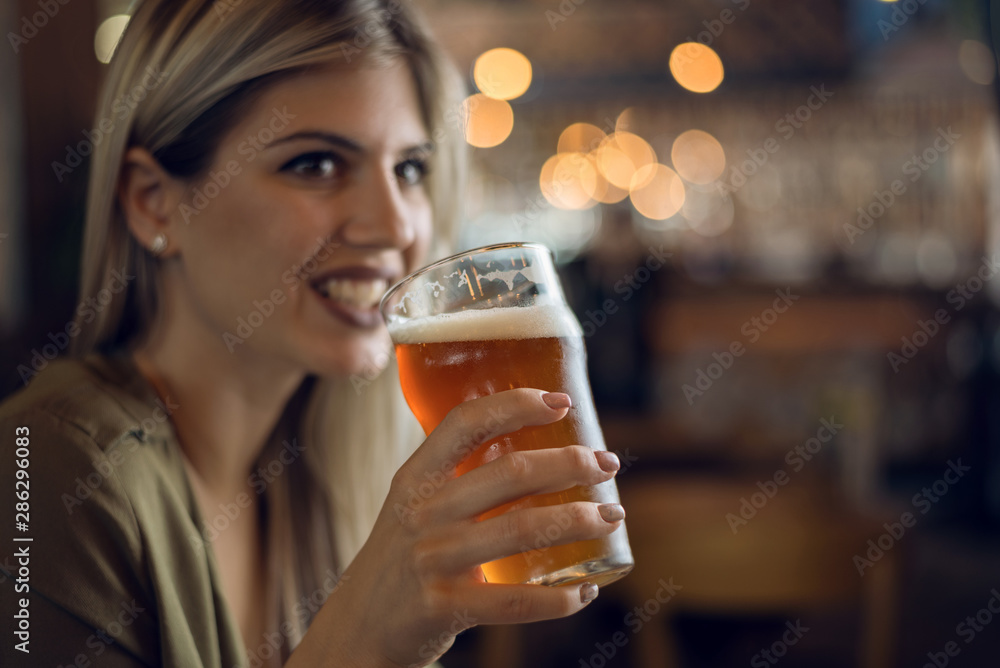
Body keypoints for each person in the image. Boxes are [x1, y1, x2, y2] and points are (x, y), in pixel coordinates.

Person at [0, 0, 626, 666]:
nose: (393, 227)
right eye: (316, 165)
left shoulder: (324, 472)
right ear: (155, 202)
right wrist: (364, 640)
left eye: (409, 169)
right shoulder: (47, 470)